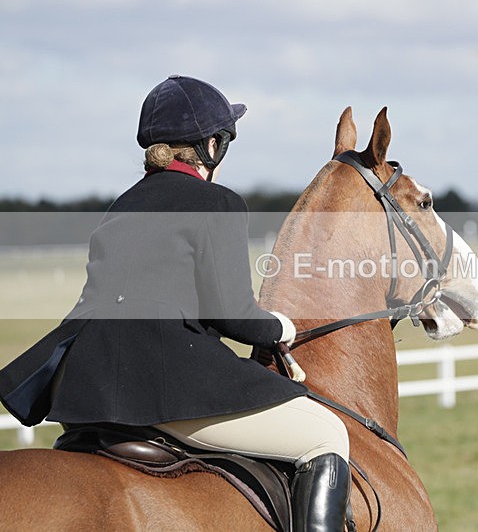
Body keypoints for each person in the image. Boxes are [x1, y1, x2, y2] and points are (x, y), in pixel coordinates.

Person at [0, 75, 350, 531]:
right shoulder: (216, 202)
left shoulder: (122, 204)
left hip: (84, 389)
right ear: (211, 146)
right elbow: (234, 316)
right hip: (161, 383)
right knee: (326, 435)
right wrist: (280, 327)